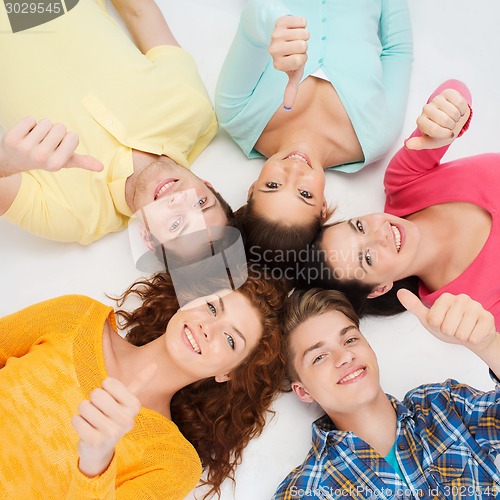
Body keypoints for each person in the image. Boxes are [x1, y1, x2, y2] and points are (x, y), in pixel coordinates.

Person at [0, 270, 287, 498]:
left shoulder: (173, 463)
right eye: (212, 308)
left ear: (228, 372)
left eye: (230, 339)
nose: (208, 328)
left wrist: (95, 462)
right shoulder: (76, 316)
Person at [0, 0, 232, 244]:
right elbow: (139, 12)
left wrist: (6, 163)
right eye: (201, 202)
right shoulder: (194, 110)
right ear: (208, 186)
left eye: (176, 225)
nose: (178, 200)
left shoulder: (74, 217)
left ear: (148, 239)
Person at [215, 0, 413, 259]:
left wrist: (278, 24)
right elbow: (398, 50)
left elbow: (253, 20)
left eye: (273, 185)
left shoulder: (236, 113)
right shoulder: (375, 137)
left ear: (253, 188)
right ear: (322, 208)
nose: (294, 171)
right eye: (304, 194)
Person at [274, 287, 500, 499]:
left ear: (370, 349)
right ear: (303, 392)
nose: (345, 356)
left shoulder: (443, 405)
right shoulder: (305, 492)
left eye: (350, 340)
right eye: (319, 357)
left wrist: (489, 344)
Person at [308, 79, 500, 328]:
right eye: (367, 257)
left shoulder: (403, 184)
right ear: (379, 289)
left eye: (360, 227)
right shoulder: (464, 307)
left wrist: (447, 111)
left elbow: (453, 91)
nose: (379, 235)